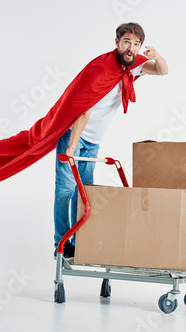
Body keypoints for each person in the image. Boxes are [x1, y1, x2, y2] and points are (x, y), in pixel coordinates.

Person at [53, 23, 168, 259]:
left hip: (93, 141)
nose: (131, 48)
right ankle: (61, 244)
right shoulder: (102, 70)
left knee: (86, 192)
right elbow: (84, 111)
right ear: (117, 42)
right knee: (65, 190)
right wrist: (72, 148)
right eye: (127, 42)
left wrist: (157, 56)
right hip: (73, 134)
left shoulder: (132, 67)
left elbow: (163, 70)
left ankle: (80, 240)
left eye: (136, 44)